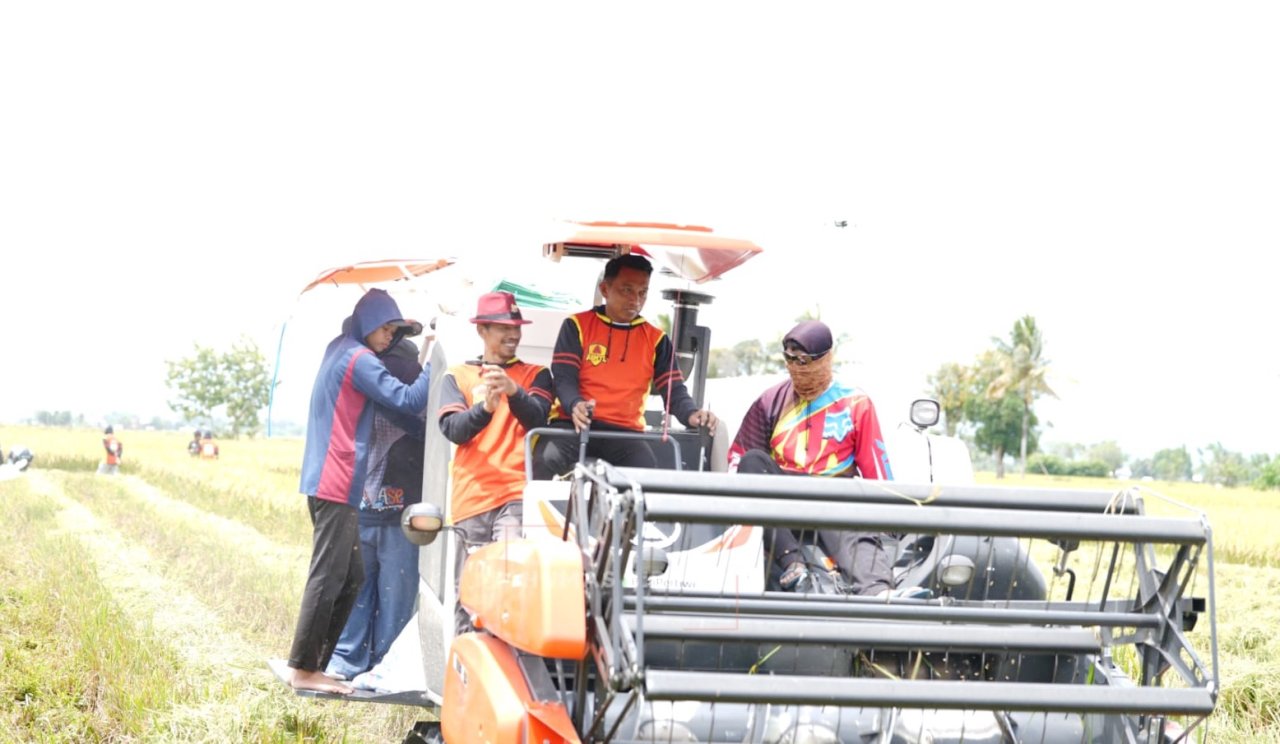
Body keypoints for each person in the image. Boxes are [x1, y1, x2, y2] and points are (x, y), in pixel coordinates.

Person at [287, 288, 432, 695]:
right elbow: (408, 399)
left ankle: (319, 664)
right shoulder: (359, 359)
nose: (390, 339)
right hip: (335, 480)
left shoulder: (338, 347)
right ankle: (304, 668)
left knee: (352, 576)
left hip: (330, 481)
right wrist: (434, 357)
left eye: (394, 332)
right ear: (368, 325)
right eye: (386, 329)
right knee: (328, 576)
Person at [727, 320, 898, 597]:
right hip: (783, 499)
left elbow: (876, 468)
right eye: (789, 359)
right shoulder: (769, 401)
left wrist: (891, 519)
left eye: (804, 360)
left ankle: (879, 593)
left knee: (858, 529)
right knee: (752, 463)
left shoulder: (856, 403)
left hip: (833, 497)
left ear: (826, 358)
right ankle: (793, 563)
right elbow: (740, 459)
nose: (796, 367)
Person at [533, 254, 716, 479]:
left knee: (648, 479)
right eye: (626, 290)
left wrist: (691, 413)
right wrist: (575, 404)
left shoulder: (656, 339)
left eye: (642, 292)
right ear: (605, 289)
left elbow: (674, 390)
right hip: (573, 425)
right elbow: (563, 378)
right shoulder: (577, 325)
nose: (635, 301)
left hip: (625, 434)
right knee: (545, 459)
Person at [438, 291, 553, 631]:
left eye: (517, 326)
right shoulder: (457, 375)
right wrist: (484, 408)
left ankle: (504, 672)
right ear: (482, 331)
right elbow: (453, 430)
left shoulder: (536, 374)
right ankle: (463, 674)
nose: (513, 333)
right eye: (504, 327)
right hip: (471, 498)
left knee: (508, 584)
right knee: (469, 594)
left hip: (516, 495)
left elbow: (540, 420)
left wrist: (513, 391)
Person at [325, 335, 427, 681]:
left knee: (373, 592)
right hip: (387, 513)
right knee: (381, 593)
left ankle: (366, 664)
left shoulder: (410, 400)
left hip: (388, 513)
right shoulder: (373, 394)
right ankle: (374, 663)